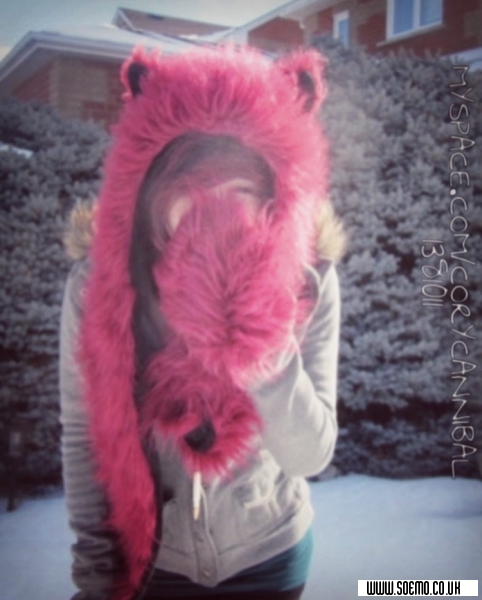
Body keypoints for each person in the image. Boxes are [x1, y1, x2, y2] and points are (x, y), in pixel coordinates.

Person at [59, 44, 344, 600]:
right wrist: (98, 576)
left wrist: (259, 338)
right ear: (156, 197)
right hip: (156, 567)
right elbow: (85, 436)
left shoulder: (307, 282)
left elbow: (310, 454)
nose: (216, 213)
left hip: (270, 558)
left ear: (272, 199)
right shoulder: (101, 289)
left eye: (239, 192)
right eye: (193, 194)